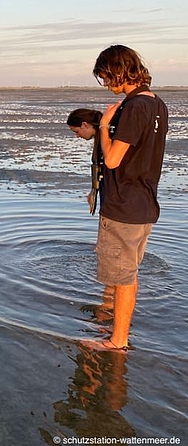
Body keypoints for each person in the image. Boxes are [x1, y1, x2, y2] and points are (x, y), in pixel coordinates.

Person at [83, 45, 168, 353]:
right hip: (145, 203)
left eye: (107, 77)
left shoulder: (134, 108)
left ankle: (117, 341)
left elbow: (115, 159)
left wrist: (104, 127)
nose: (107, 84)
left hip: (124, 204)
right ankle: (114, 327)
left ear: (119, 70)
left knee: (123, 278)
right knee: (127, 274)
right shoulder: (157, 103)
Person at [67, 108, 103, 215]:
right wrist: (94, 191)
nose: (77, 136)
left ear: (85, 124)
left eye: (77, 131)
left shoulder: (105, 140)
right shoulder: (100, 139)